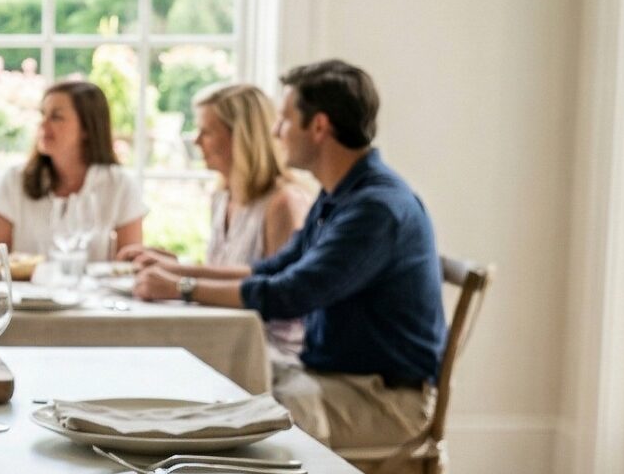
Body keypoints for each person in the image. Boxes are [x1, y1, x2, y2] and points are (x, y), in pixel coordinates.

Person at [134, 60, 445, 450]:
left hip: (382, 398)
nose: (276, 132)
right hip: (334, 377)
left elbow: (289, 294)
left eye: (284, 120)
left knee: (228, 412)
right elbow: (274, 269)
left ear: (318, 127)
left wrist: (182, 286)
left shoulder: (375, 208)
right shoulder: (339, 195)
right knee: (208, 389)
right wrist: (178, 273)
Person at [124, 81, 315, 357]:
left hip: (266, 350)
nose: (196, 140)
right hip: (223, 338)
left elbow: (282, 297)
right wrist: (174, 266)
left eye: (206, 131)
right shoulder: (222, 196)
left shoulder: (284, 204)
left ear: (242, 137)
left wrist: (179, 279)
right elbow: (228, 277)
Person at [0, 78, 147, 262]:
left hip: (92, 292)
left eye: (56, 117)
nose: (43, 125)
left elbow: (128, 268)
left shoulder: (119, 185)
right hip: (26, 291)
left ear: (87, 127)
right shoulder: (15, 180)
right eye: (43, 115)